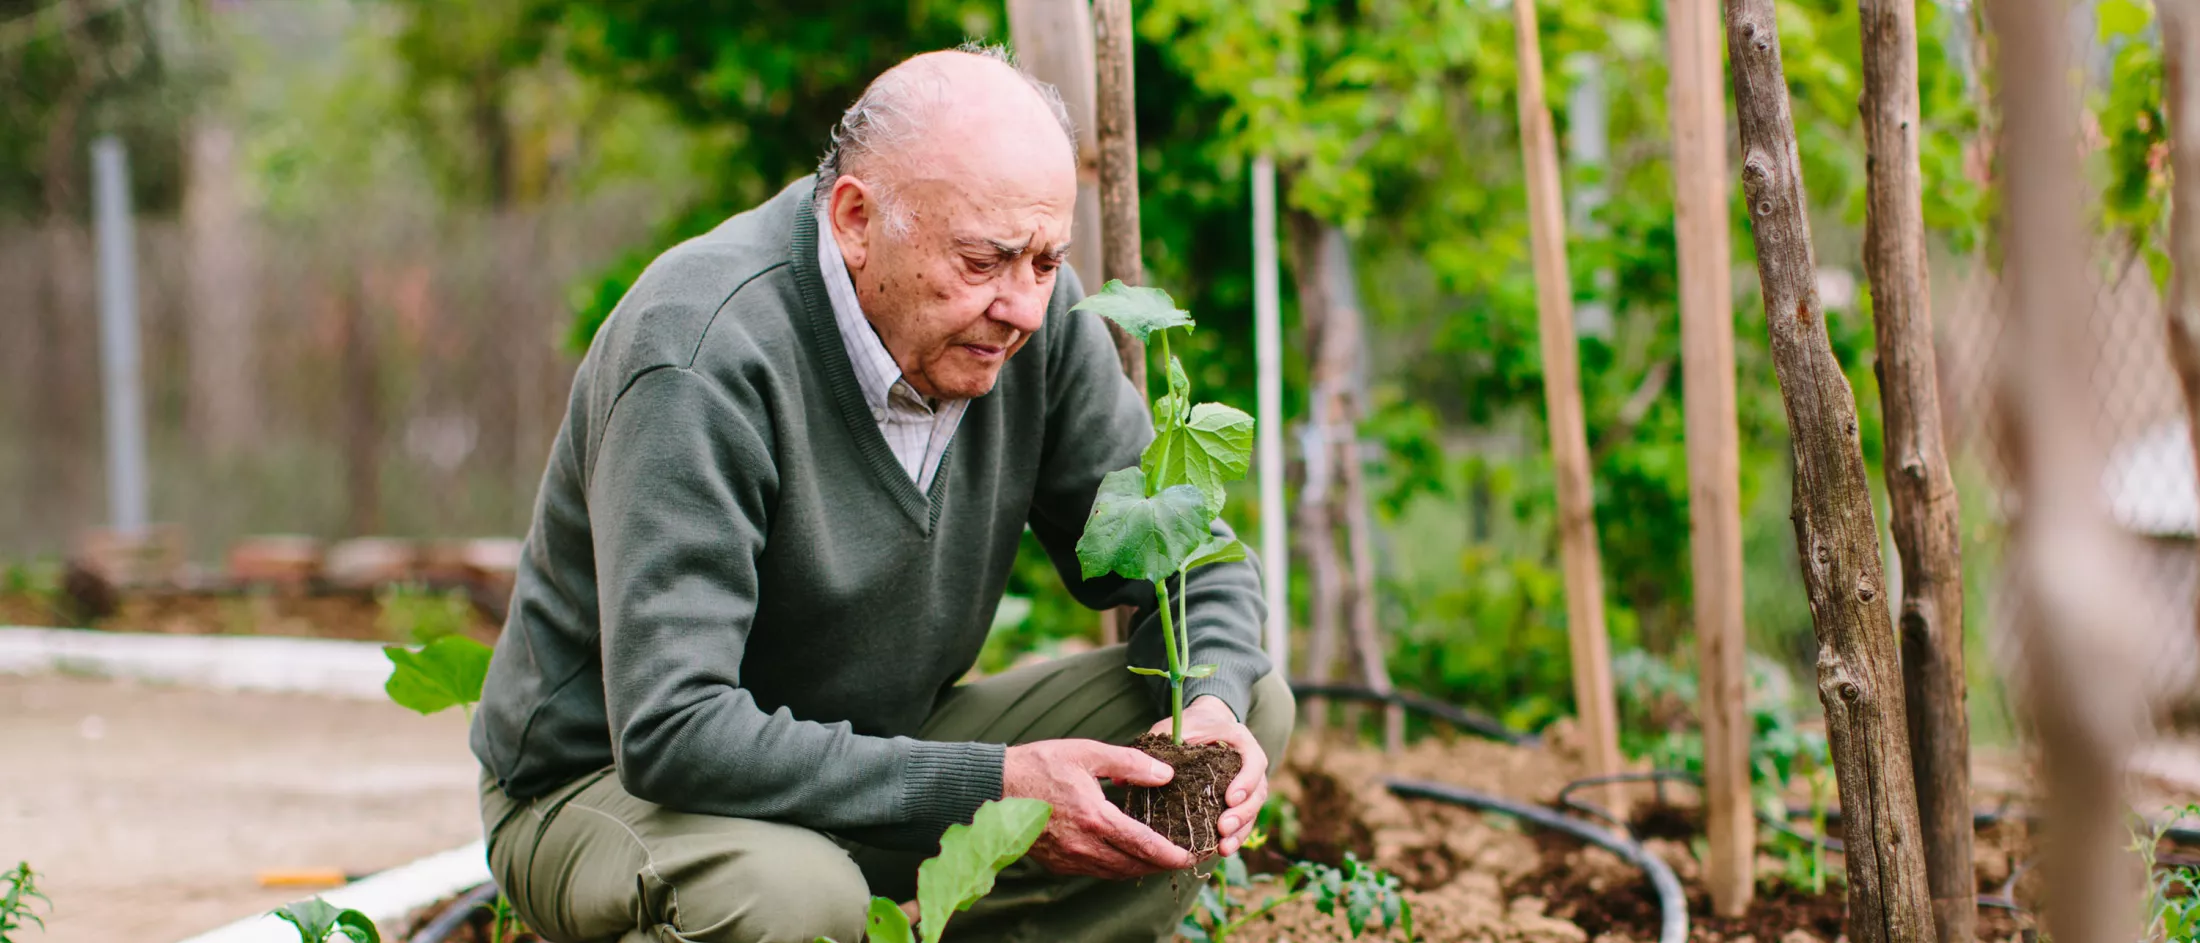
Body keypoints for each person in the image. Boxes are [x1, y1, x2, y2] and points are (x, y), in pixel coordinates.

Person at [468, 43, 1293, 943]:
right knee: (794, 900)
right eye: (984, 260)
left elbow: (1197, 566)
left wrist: (1209, 703)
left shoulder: (1027, 324)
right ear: (857, 219)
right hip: (612, 784)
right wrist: (994, 784)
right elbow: (674, 729)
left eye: (1045, 262)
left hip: (874, 753)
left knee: (1215, 719)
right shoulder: (702, 352)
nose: (1021, 304)